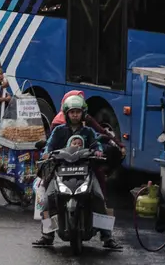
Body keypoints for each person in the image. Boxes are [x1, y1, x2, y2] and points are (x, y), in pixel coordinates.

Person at [36, 93, 121, 249]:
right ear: (67, 113)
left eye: (78, 112)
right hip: (60, 170)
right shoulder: (59, 130)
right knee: (48, 200)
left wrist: (98, 151)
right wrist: (47, 152)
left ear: (83, 113)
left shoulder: (88, 131)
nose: (75, 115)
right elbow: (49, 144)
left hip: (86, 170)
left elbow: (97, 145)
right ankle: (47, 235)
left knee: (99, 198)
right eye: (72, 112)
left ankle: (107, 237)